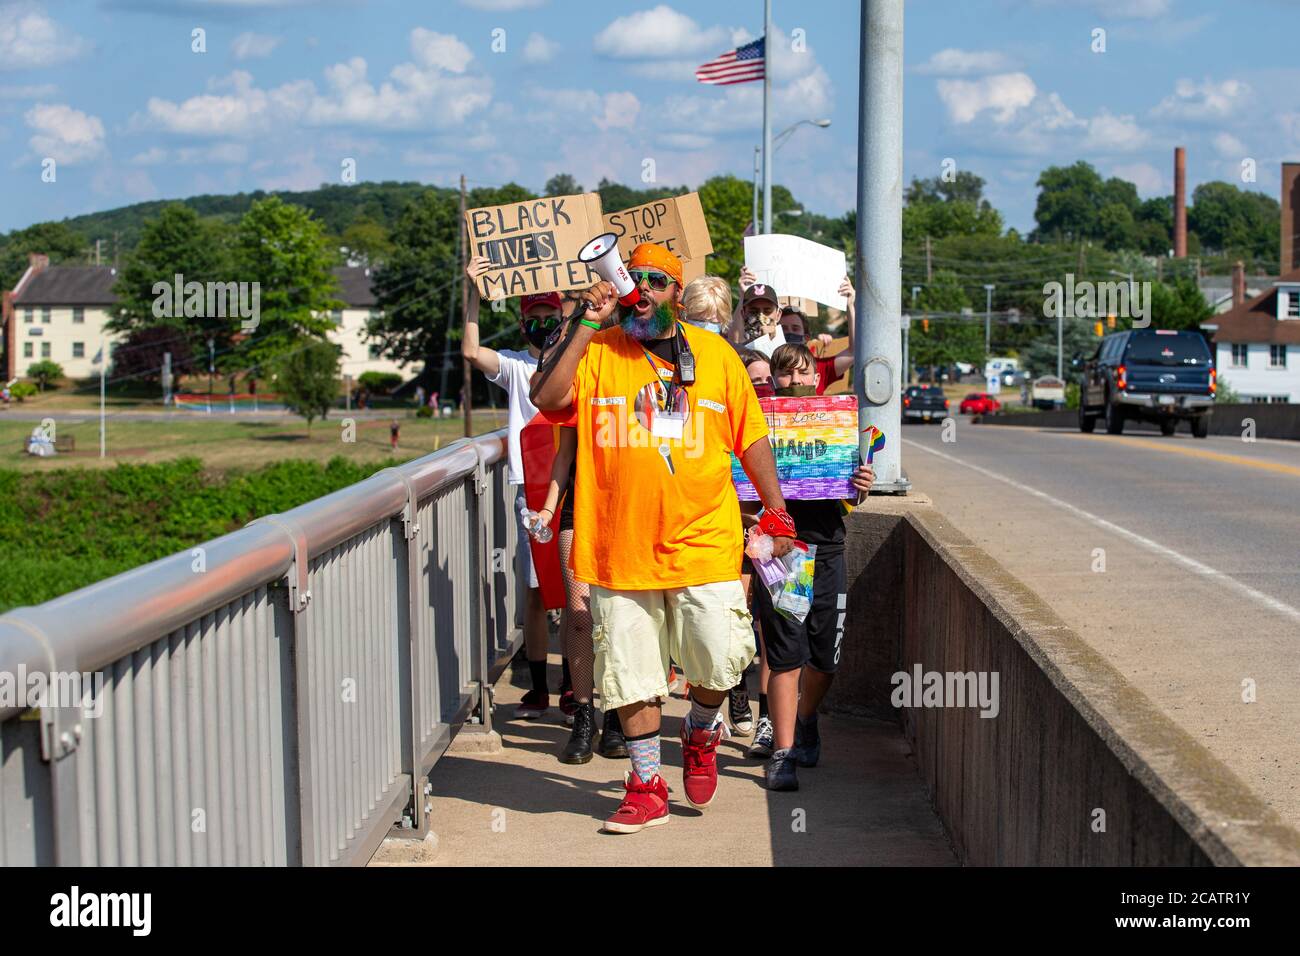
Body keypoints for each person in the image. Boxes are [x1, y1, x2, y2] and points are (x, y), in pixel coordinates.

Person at [531, 243, 797, 834]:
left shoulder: (716, 355)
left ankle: (701, 730)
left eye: (656, 281)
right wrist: (582, 320)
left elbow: (750, 436)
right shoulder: (598, 349)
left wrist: (776, 511)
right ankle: (646, 784)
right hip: (619, 547)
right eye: (634, 280)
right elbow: (547, 399)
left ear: (677, 292)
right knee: (630, 673)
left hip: (703, 541)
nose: (641, 290)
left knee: (720, 656)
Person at [752, 342, 875, 790]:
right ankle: (783, 754)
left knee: (826, 659)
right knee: (785, 655)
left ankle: (806, 720)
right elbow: (742, 488)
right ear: (773, 380)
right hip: (784, 553)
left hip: (828, 550)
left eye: (804, 373)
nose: (796, 381)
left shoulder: (835, 424)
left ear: (817, 379)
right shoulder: (757, 424)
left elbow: (850, 495)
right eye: (785, 374)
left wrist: (860, 484)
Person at [529, 298, 628, 764]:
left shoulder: (640, 374)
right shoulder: (581, 379)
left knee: (618, 618)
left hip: (628, 509)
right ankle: (584, 713)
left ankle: (616, 716)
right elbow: (564, 453)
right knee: (581, 614)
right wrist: (549, 509)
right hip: (580, 507)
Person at [463, 254, 561, 720]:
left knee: (586, 588)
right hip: (533, 485)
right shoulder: (518, 368)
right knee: (537, 589)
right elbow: (471, 353)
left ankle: (583, 693)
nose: (544, 326)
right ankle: (541, 686)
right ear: (523, 326)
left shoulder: (581, 360)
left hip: (577, 483)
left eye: (551, 318)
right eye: (535, 319)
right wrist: (474, 299)